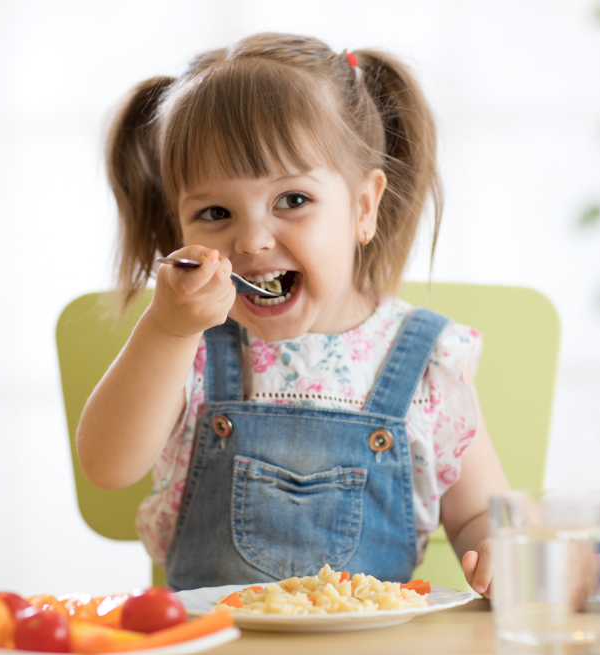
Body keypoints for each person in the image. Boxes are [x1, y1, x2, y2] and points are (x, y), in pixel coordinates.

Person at [77, 33, 509, 594]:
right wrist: (166, 328)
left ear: (363, 207)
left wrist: (497, 549)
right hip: (215, 637)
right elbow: (107, 466)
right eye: (215, 212)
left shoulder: (430, 362)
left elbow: (478, 515)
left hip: (376, 637)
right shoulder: (188, 348)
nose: (252, 241)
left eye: (293, 200)